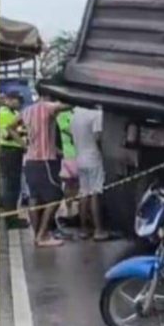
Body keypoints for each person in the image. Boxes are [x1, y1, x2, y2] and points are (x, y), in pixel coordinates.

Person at [20, 96, 71, 247]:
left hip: (29, 159)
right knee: (55, 196)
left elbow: (9, 126)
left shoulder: (26, 110)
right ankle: (42, 235)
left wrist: (23, 144)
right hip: (45, 161)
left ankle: (38, 235)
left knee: (34, 197)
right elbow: (68, 105)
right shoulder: (48, 107)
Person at [71, 105, 109, 240]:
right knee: (95, 193)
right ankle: (98, 230)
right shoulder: (96, 114)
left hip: (80, 157)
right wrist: (105, 153)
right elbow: (98, 137)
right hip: (93, 157)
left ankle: (83, 229)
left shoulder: (76, 113)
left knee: (84, 193)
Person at [0, 91, 26, 229]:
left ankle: (12, 215)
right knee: (10, 186)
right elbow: (7, 135)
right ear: (9, 100)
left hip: (15, 152)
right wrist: (23, 143)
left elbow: (20, 130)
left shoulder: (14, 114)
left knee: (14, 186)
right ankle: (10, 219)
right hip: (9, 151)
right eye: (17, 100)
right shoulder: (3, 113)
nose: (20, 104)